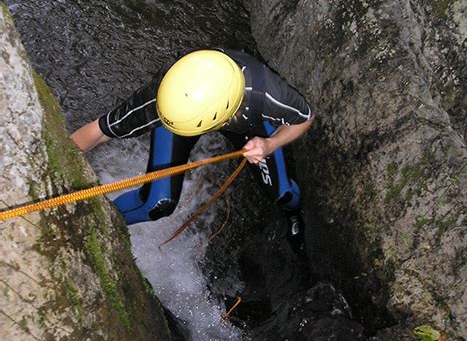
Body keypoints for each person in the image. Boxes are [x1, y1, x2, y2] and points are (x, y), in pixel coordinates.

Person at [71, 48, 314, 247]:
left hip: (250, 121)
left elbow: (304, 117)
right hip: (182, 116)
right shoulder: (165, 97)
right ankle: (100, 224)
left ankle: (293, 213)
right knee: (157, 204)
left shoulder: (266, 93)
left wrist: (270, 144)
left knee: (283, 194)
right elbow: (99, 130)